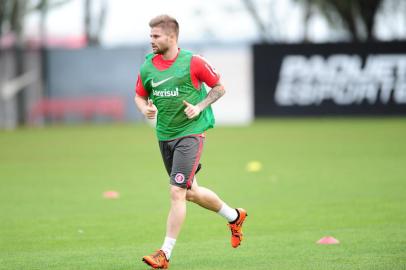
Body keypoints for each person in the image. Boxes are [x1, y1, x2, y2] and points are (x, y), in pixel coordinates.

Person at [134, 14, 247, 269]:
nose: (151, 40)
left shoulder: (194, 62)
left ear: (171, 36)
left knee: (176, 191)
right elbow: (139, 96)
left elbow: (219, 87)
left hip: (191, 133)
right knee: (190, 193)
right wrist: (144, 110)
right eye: (150, 35)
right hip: (164, 135)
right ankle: (235, 216)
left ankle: (165, 254)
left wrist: (200, 106)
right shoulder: (148, 66)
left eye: (155, 36)